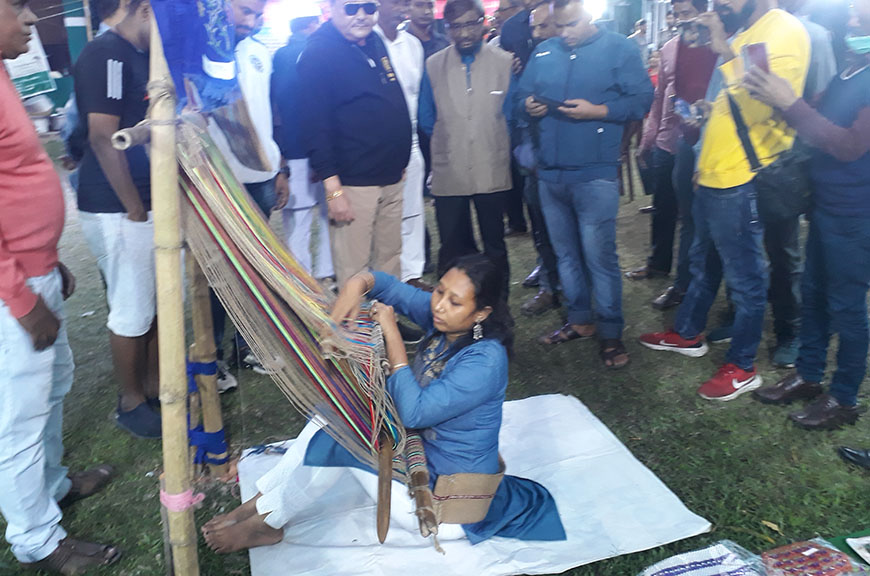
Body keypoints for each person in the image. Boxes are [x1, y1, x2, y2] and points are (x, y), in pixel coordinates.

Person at [201, 255, 565, 553]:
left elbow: (414, 412)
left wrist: (391, 332)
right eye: (439, 291)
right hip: (419, 456)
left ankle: (269, 522)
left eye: (454, 302)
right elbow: (386, 285)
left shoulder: (485, 360)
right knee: (333, 412)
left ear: (481, 313)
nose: (439, 305)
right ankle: (262, 501)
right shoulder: (447, 320)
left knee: (341, 440)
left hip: (446, 503)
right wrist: (355, 286)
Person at [639, 0, 811, 401]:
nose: (719, 4)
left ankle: (743, 366)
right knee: (702, 263)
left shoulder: (782, 30)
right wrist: (708, 120)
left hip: (742, 177)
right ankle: (688, 333)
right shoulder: (748, 33)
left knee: (747, 278)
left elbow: (765, 102)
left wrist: (721, 47)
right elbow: (735, 102)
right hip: (716, 172)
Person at [1, 2, 120, 573]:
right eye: (16, 7)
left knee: (52, 387)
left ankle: (51, 485)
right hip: (14, 289)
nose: (30, 19)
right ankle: (35, 539)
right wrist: (21, 298)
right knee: (19, 416)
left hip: (36, 267)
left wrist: (48, 259)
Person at [746, 0, 870, 429]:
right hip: (825, 205)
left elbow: (849, 146)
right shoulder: (849, 71)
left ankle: (844, 398)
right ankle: (809, 374)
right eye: (851, 15)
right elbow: (815, 117)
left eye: (859, 17)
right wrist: (783, 99)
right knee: (814, 294)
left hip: (856, 214)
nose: (849, 22)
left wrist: (793, 105)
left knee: (847, 307)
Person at [517, 0, 653, 368]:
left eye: (572, 24)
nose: (565, 33)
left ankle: (611, 332)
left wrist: (599, 111)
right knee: (566, 255)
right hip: (550, 173)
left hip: (594, 173)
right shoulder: (545, 51)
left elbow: (642, 99)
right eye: (559, 26)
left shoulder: (619, 48)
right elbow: (518, 96)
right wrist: (527, 105)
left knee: (599, 257)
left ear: (589, 13)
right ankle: (579, 320)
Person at [74, 0, 161, 437]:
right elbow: (102, 136)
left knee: (152, 302)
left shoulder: (139, 54)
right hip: (116, 205)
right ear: (142, 9)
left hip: (144, 201)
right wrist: (134, 207)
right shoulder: (106, 53)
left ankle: (155, 388)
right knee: (131, 306)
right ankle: (130, 402)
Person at [298, 0, 412, 286]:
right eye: (351, 8)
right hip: (354, 183)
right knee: (354, 272)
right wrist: (333, 189)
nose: (361, 16)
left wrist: (399, 159)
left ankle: (388, 314)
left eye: (368, 7)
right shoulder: (318, 52)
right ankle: (357, 318)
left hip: (391, 174)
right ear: (332, 8)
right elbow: (314, 125)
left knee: (390, 259)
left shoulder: (374, 40)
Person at [208, 0, 288, 378]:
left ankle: (248, 344)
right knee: (219, 271)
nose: (251, 20)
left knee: (255, 266)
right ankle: (213, 354)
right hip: (220, 179)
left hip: (263, 178)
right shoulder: (206, 52)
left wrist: (279, 168)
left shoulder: (259, 51)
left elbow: (270, 112)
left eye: (257, 13)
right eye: (244, 10)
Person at [627, 0, 717, 310]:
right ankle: (659, 265)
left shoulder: (718, 46)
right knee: (664, 207)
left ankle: (688, 284)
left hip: (705, 146)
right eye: (676, 14)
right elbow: (660, 98)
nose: (679, 20)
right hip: (670, 140)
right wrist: (648, 139)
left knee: (695, 218)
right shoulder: (670, 48)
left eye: (686, 13)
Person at [419, 0, 514, 295]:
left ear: (483, 22)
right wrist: (452, 139)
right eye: (455, 26)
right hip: (450, 168)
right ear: (447, 28)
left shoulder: (504, 62)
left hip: (491, 165)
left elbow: (511, 114)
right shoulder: (433, 65)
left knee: (494, 242)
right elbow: (426, 116)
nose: (464, 33)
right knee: (452, 243)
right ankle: (455, 305)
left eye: (470, 24)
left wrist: (491, 139)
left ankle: (497, 304)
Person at [272, 12, 335, 285]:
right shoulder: (322, 52)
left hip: (292, 150)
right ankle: (327, 272)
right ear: (311, 25)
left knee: (297, 222)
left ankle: (302, 282)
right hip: (323, 151)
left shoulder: (280, 56)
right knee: (330, 214)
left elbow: (275, 107)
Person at [375, 0, 428, 289]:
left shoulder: (413, 45)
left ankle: (411, 274)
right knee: (381, 213)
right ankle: (384, 276)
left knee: (412, 210)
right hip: (377, 143)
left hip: (411, 140)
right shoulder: (368, 41)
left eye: (405, 3)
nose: (402, 8)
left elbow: (417, 95)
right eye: (395, 2)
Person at [517, 3, 561, 316]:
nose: (536, 33)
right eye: (533, 27)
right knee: (541, 229)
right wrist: (525, 106)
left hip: (571, 165)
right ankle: (548, 285)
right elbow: (517, 105)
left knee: (570, 233)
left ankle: (573, 290)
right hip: (536, 162)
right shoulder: (534, 59)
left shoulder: (579, 58)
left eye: (543, 26)